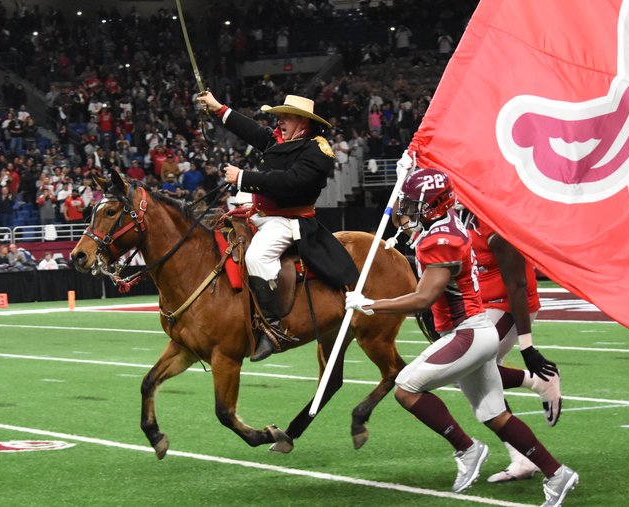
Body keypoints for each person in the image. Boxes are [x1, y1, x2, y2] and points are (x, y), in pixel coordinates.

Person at [345, 168, 578, 507]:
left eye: (416, 204)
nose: (410, 211)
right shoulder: (446, 227)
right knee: (494, 415)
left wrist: (370, 305)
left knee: (406, 387)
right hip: (470, 330)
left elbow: (423, 298)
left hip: (467, 332)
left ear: (433, 204)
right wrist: (406, 175)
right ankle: (558, 475)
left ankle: (467, 449)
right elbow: (407, 220)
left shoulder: (444, 239)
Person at [196, 91, 359, 361]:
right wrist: (217, 108)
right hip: (262, 213)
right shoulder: (279, 140)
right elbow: (250, 129)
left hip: (289, 220)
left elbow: (290, 182)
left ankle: (271, 329)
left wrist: (243, 177)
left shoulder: (317, 151)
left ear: (302, 123)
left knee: (256, 256)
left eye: (286, 117)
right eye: (280, 116)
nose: (279, 121)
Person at [459, 210, 563, 483]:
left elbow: (518, 285)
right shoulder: (465, 216)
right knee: (476, 381)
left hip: (510, 306)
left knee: (469, 368)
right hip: (484, 307)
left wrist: (527, 347)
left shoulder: (495, 225)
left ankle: (540, 380)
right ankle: (521, 458)